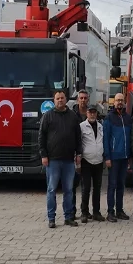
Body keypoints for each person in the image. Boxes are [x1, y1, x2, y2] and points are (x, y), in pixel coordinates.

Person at [38, 90, 82, 229]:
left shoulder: (73, 116)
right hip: (53, 160)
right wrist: (43, 155)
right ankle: (51, 218)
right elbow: (41, 137)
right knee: (51, 190)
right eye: (57, 98)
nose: (60, 100)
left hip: (69, 160)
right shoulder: (48, 116)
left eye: (62, 98)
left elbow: (78, 137)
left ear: (66, 99)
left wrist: (79, 154)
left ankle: (68, 217)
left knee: (68, 190)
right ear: (54, 100)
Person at [103, 92, 132, 222]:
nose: (120, 102)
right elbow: (106, 139)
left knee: (121, 185)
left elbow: (130, 138)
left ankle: (120, 210)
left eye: (121, 100)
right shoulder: (109, 118)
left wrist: (130, 156)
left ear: (124, 102)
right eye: (117, 100)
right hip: (113, 158)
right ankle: (110, 212)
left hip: (124, 157)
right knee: (112, 185)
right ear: (113, 102)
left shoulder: (128, 118)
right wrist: (107, 157)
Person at [79, 104, 105, 223]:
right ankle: (84, 212)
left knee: (97, 188)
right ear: (86, 113)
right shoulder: (82, 127)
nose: (92, 114)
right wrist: (78, 157)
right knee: (86, 188)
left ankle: (96, 212)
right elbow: (78, 143)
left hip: (99, 161)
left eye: (94, 112)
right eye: (90, 112)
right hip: (86, 161)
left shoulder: (101, 126)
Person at [70, 89, 90, 220]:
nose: (83, 100)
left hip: (88, 154)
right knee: (72, 185)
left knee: (85, 185)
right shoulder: (71, 114)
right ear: (77, 99)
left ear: (88, 100)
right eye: (81, 98)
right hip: (74, 153)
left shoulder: (92, 113)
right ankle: (71, 211)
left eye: (85, 98)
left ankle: (85, 211)